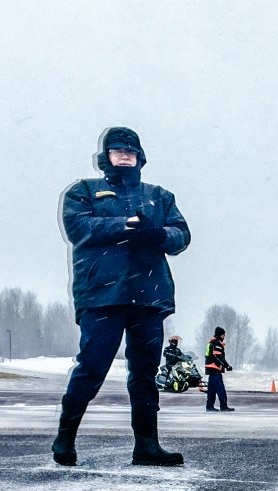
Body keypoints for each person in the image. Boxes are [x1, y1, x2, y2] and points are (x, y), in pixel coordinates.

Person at [54, 126, 192, 467]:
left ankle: (147, 445)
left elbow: (182, 234)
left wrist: (158, 234)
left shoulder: (159, 196)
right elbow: (79, 228)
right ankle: (65, 438)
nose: (125, 156)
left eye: (131, 151)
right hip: (103, 295)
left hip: (148, 296)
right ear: (107, 157)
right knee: (92, 367)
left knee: (145, 374)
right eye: (118, 151)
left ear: (140, 156)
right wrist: (127, 224)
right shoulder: (84, 191)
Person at [203, 327, 233, 412]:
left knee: (211, 390)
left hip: (210, 369)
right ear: (220, 335)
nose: (224, 336)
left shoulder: (212, 342)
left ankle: (209, 406)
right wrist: (227, 366)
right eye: (223, 334)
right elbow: (218, 357)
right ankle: (223, 406)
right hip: (215, 369)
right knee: (220, 389)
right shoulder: (217, 343)